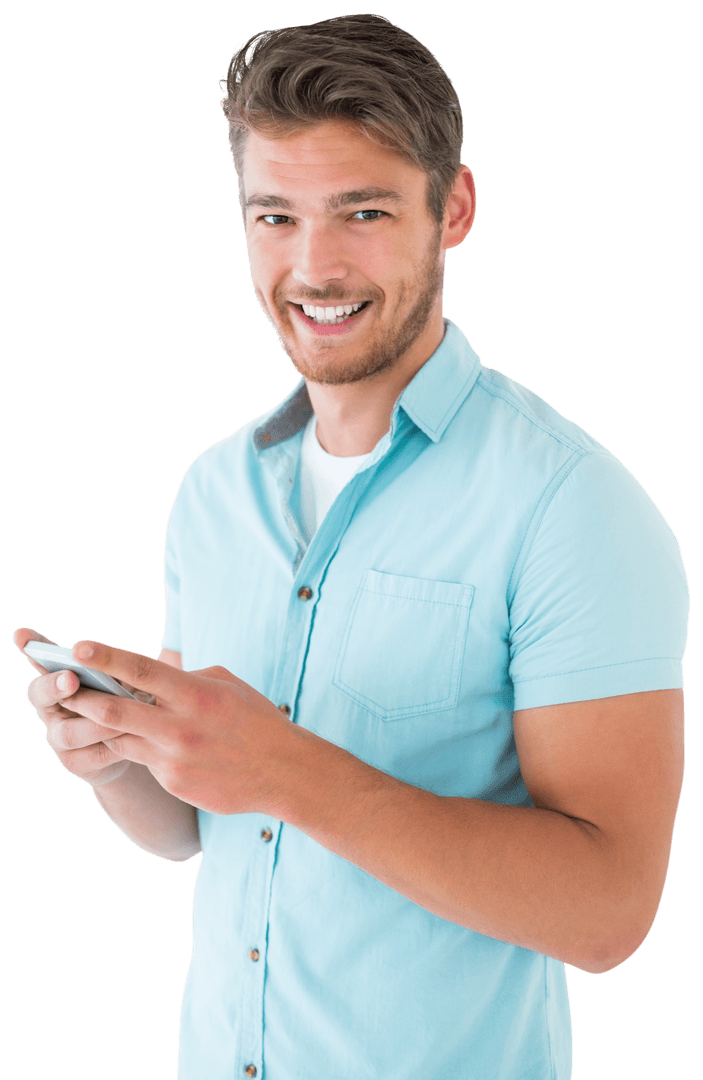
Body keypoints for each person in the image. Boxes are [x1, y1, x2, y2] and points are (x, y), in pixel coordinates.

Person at [14, 13, 689, 1080]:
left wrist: (289, 772)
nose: (313, 266)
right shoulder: (212, 490)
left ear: (452, 209)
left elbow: (608, 915)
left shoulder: (572, 506)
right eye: (274, 216)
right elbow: (198, 831)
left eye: (362, 211)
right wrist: (115, 762)